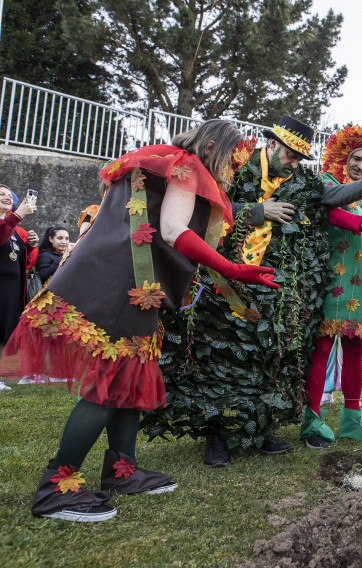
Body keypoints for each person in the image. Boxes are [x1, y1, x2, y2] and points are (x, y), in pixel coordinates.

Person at [0, 120, 278, 521]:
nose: (232, 172)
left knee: (129, 379)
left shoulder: (164, 162)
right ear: (214, 146)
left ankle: (121, 471)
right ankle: (56, 489)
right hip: (123, 284)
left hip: (130, 283)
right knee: (109, 383)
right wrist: (230, 270)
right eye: (233, 161)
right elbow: (172, 229)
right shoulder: (187, 166)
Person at [144, 116, 362, 467]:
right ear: (275, 144)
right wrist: (259, 211)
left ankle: (258, 430)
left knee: (267, 356)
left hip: (275, 284)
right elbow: (207, 207)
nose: (294, 163)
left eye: (299, 158)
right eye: (291, 155)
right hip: (228, 279)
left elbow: (331, 196)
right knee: (223, 357)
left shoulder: (301, 180)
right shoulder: (236, 166)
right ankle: (216, 436)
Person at [300, 124, 362, 450]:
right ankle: (312, 419)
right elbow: (333, 214)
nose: (360, 165)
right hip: (332, 279)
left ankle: (352, 417)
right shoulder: (326, 183)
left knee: (355, 350)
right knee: (322, 348)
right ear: (343, 156)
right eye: (356, 158)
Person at [0, 184, 38, 347]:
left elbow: (23, 261)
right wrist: (17, 215)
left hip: (13, 293)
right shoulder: (10, 222)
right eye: (1, 194)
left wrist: (29, 246)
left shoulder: (13, 228)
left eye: (9, 195)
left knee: (6, 341)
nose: (8, 197)